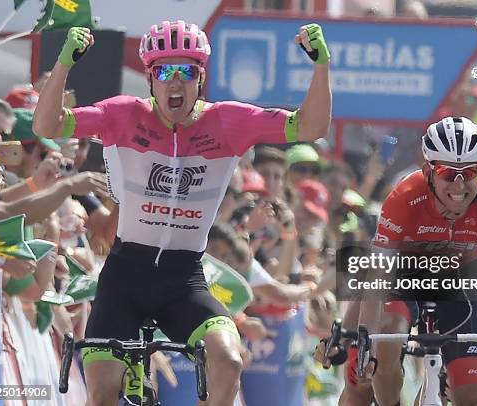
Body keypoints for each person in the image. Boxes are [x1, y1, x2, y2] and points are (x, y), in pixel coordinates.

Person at [33, 20, 331, 406]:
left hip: (184, 278)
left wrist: (321, 64)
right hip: (125, 276)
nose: (176, 82)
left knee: (228, 361)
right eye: (165, 71)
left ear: (201, 78)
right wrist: (64, 64)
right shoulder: (122, 114)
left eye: (186, 72)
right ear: (151, 79)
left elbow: (312, 125)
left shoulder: (228, 121)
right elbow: (47, 124)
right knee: (104, 393)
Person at [316, 117, 477, 406]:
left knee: (475, 396)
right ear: (428, 169)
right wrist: (367, 345)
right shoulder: (405, 197)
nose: (459, 184)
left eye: (470, 172)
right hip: (403, 274)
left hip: (461, 278)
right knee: (366, 374)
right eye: (446, 171)